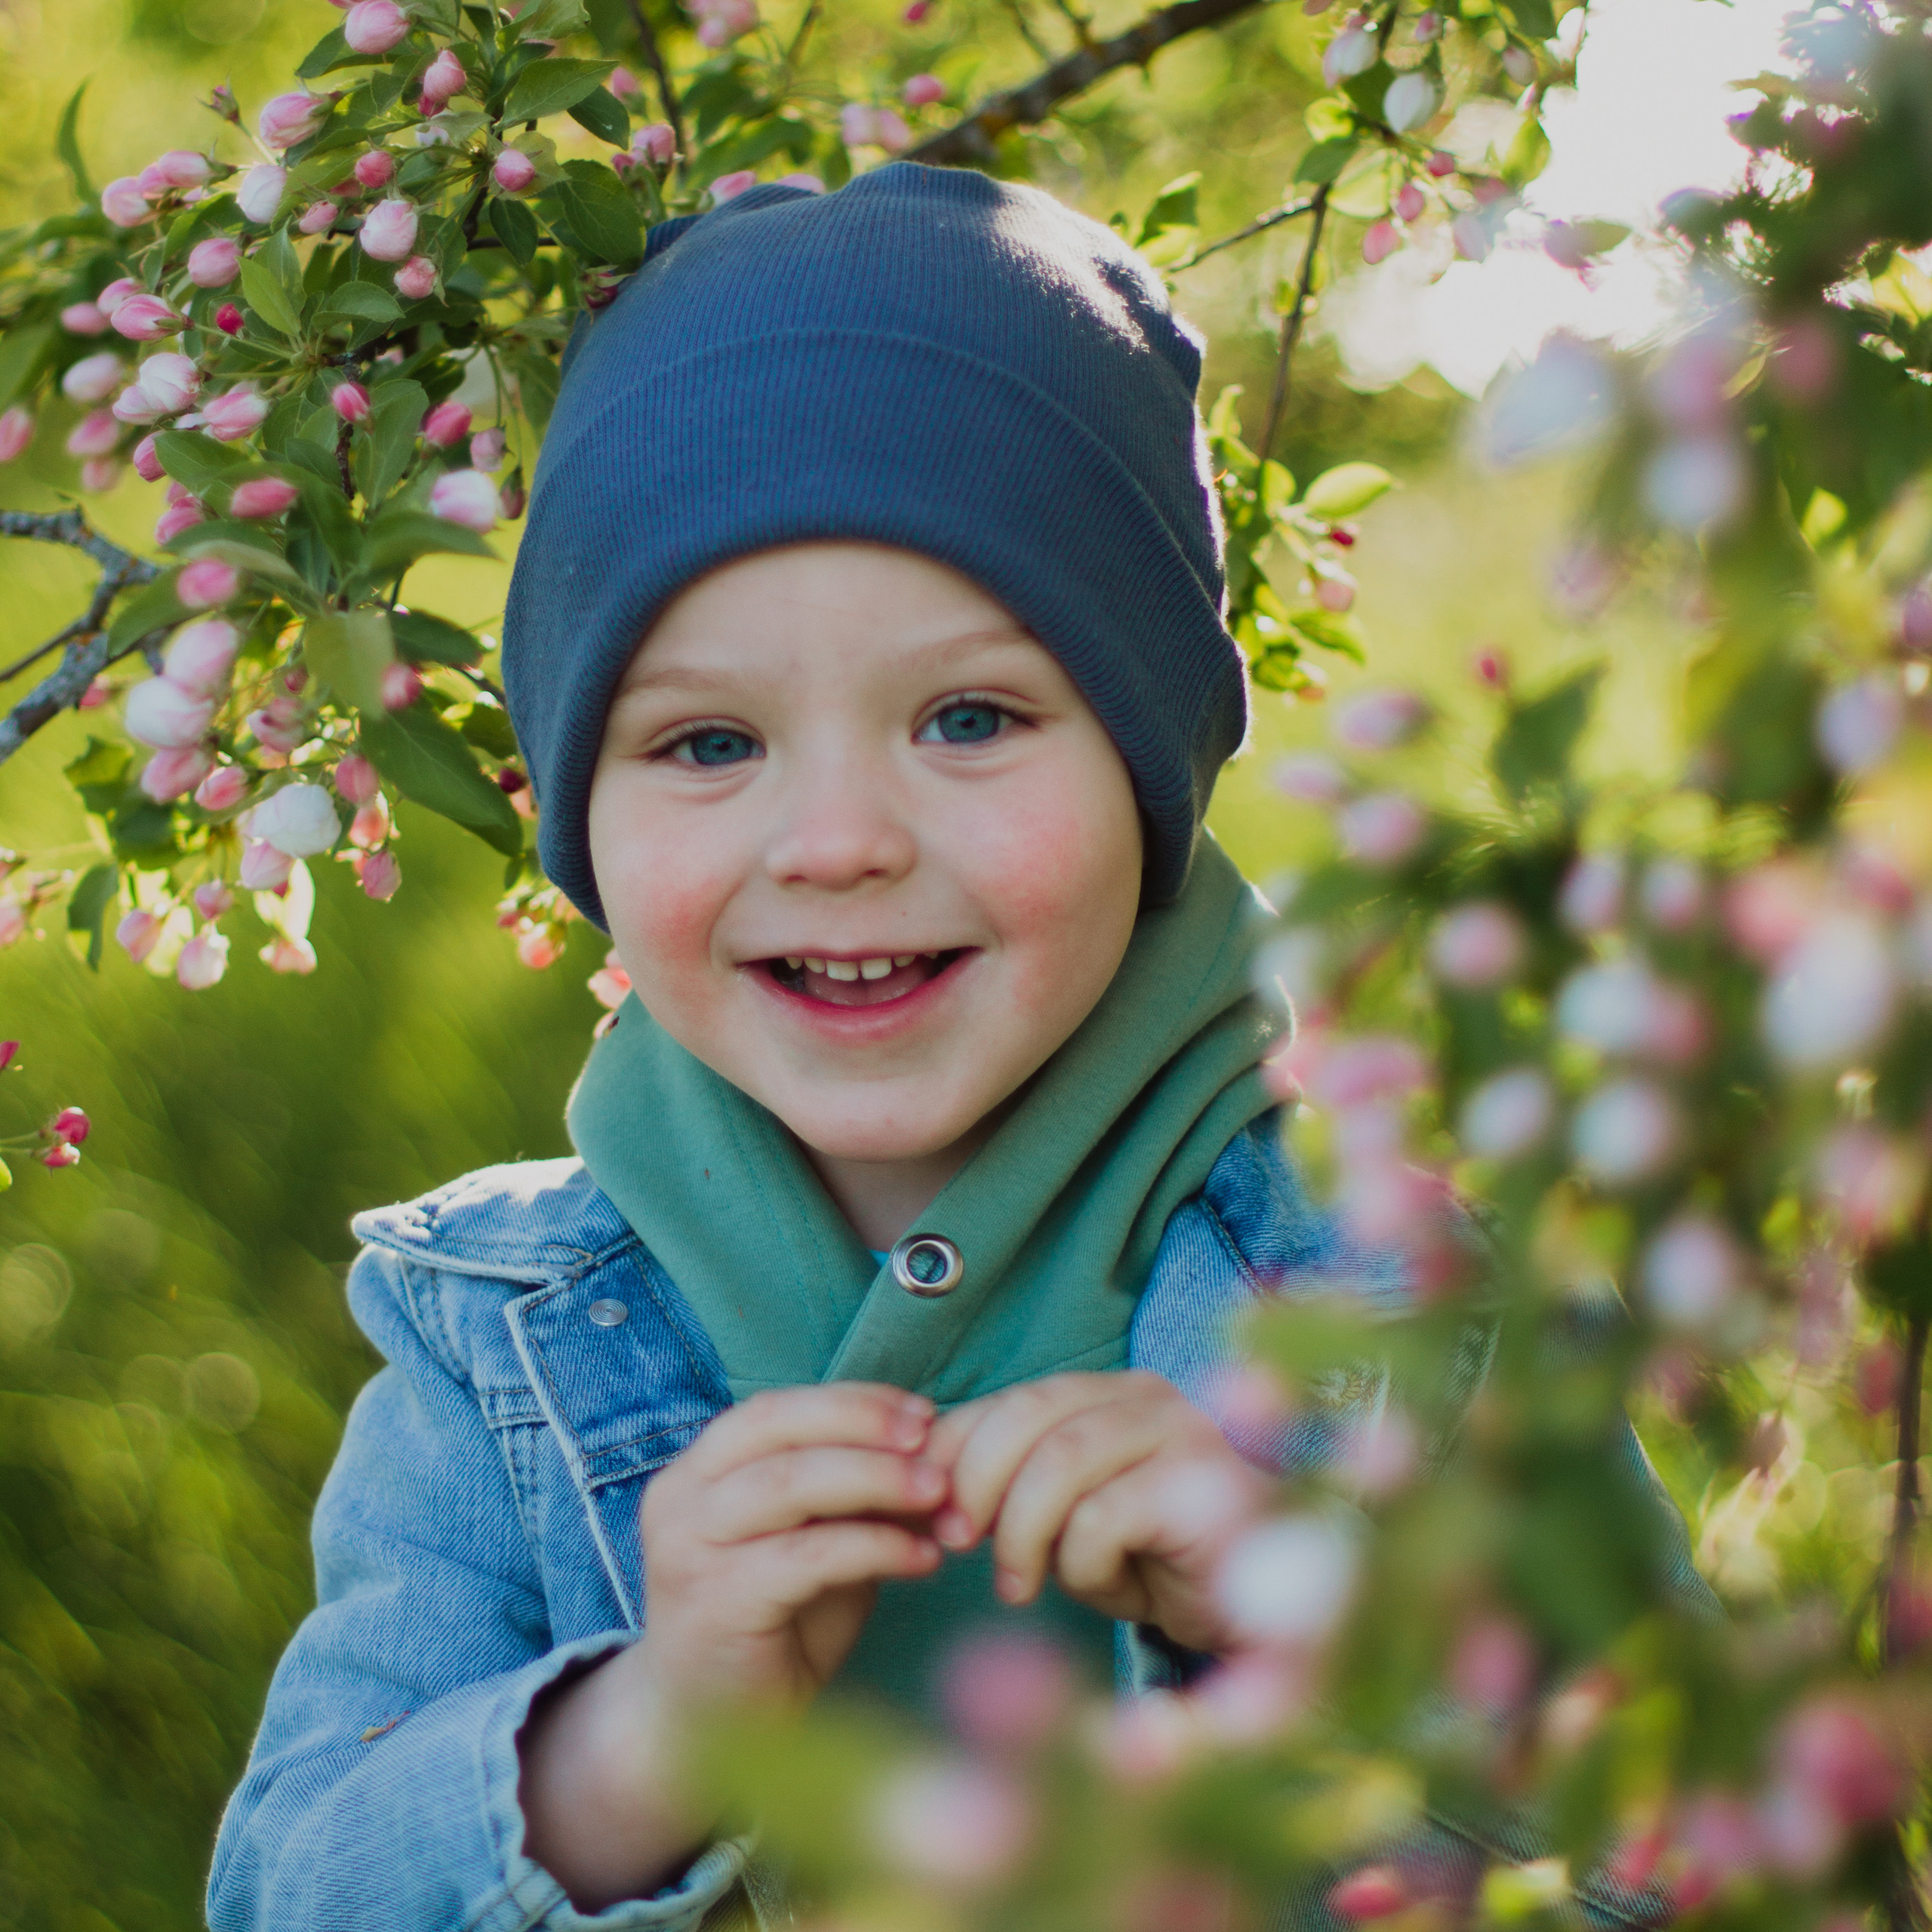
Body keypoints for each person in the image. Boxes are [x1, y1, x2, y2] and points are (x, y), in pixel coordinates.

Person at [206, 162, 1706, 1930]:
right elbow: (285, 1891)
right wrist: (646, 1735)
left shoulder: (1403, 1298)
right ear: (578, 815)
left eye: (969, 716)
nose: (836, 837)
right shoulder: (492, 1345)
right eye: (704, 744)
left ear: (1147, 771)